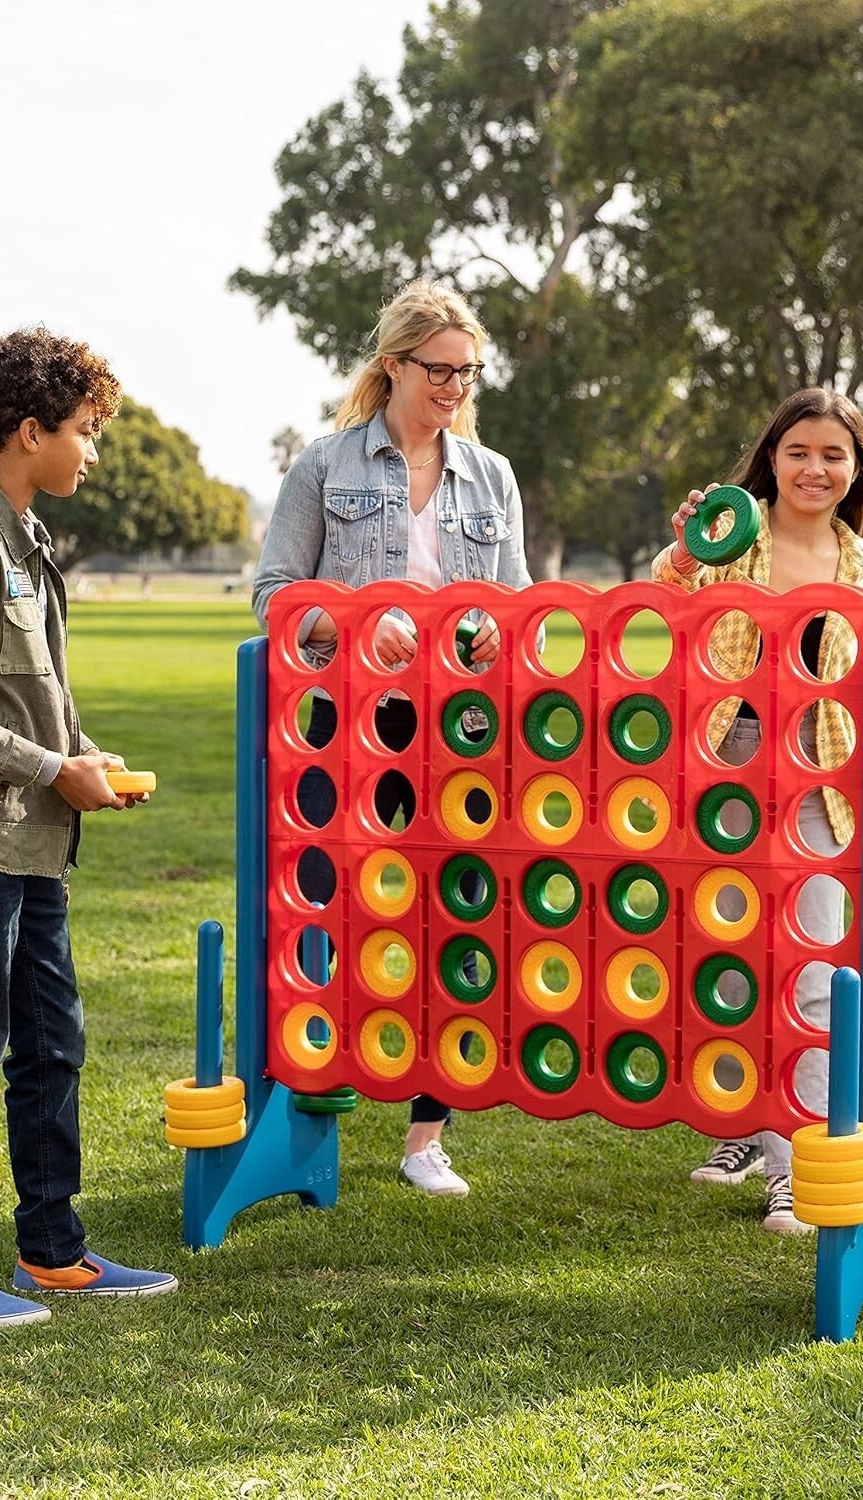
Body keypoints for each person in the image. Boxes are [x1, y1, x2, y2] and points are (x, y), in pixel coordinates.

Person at [0, 328, 178, 1326]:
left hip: (33, 842)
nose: (94, 450)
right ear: (27, 431)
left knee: (53, 1047)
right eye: (85, 431)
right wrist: (58, 769)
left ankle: (53, 1252)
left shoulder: (25, 537)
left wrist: (81, 758)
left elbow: (31, 696)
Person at [253, 280, 531, 1198]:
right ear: (394, 366)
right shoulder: (323, 467)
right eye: (439, 369)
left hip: (457, 733)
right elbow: (274, 598)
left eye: (468, 372)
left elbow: (521, 609)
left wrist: (503, 629)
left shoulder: (491, 476)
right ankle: (304, 1105)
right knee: (327, 909)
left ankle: (424, 1139)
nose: (455, 386)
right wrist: (351, 623)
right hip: (343, 730)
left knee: (446, 917)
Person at [651, 386, 863, 1234]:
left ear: (855, 468)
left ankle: (794, 1168)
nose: (814, 469)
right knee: (732, 957)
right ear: (773, 457)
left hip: (818, 772)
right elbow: (665, 594)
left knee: (814, 970)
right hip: (732, 757)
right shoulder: (730, 530)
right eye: (799, 452)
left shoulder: (861, 562)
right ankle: (747, 1127)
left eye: (833, 455)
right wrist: (684, 548)